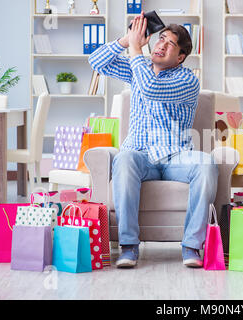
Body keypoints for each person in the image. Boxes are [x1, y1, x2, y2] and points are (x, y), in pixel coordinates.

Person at [89, 12, 218, 268]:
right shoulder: (139, 67)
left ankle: (191, 246)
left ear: (180, 57)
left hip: (175, 157)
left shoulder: (187, 80)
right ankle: (128, 246)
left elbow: (150, 88)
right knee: (124, 158)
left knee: (206, 163)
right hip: (139, 155)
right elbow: (96, 62)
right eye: (160, 39)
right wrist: (127, 40)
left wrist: (137, 48)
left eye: (170, 43)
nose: (161, 45)